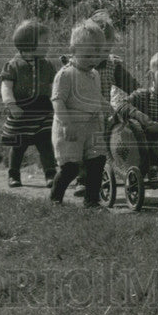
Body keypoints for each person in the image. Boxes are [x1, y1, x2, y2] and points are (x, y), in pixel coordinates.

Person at [73, 9, 139, 196]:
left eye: (108, 49)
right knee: (84, 145)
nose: (103, 54)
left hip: (102, 113)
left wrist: (141, 95)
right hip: (81, 113)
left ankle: (115, 171)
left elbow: (130, 85)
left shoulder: (112, 65)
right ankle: (82, 179)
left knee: (107, 142)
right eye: (99, 50)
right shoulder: (77, 67)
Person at [49, 20, 111, 208]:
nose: (93, 60)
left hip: (93, 127)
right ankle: (55, 199)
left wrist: (108, 106)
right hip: (71, 129)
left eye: (97, 55)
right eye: (87, 55)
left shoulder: (94, 74)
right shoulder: (66, 75)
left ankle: (91, 201)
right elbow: (58, 100)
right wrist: (66, 123)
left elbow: (95, 96)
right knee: (71, 167)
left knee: (97, 162)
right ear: (73, 50)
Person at [0, 19, 57, 188]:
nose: (48, 44)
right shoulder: (13, 66)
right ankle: (13, 174)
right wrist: (11, 104)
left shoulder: (47, 65)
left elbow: (53, 87)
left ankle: (50, 174)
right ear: (30, 43)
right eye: (44, 41)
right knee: (19, 144)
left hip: (43, 110)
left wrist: (56, 103)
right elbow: (6, 87)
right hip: (21, 110)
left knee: (45, 143)